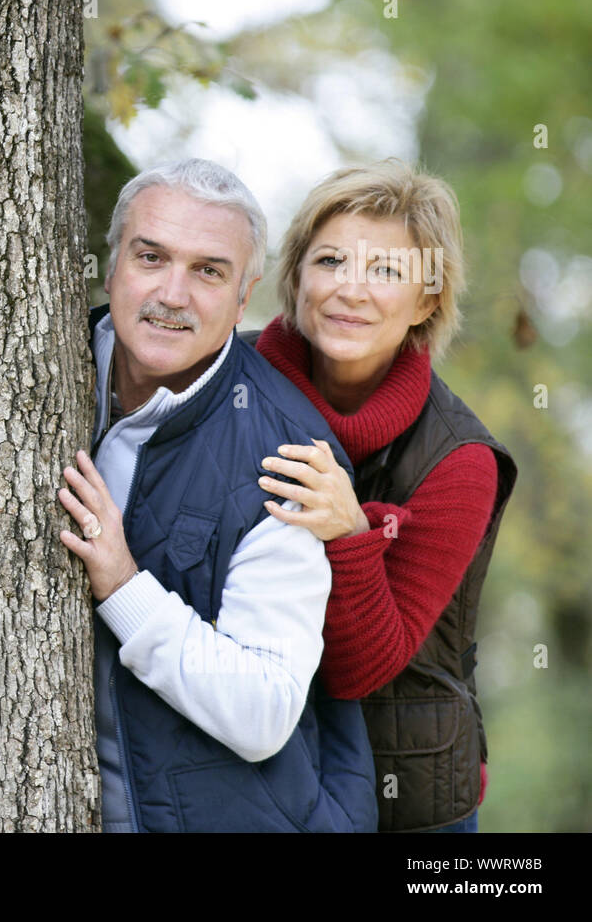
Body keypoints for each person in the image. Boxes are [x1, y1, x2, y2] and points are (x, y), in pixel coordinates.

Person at [58, 158, 377, 832]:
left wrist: (122, 585)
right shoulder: (42, 369)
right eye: (151, 257)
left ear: (244, 295)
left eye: (209, 271)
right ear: (113, 263)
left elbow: (264, 711)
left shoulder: (286, 457)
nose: (173, 294)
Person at [245, 160, 516, 832]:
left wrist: (350, 537)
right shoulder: (229, 383)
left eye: (388, 272)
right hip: (250, 774)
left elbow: (364, 668)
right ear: (297, 275)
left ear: (428, 301)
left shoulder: (460, 462)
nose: (351, 290)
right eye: (331, 260)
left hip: (409, 791)